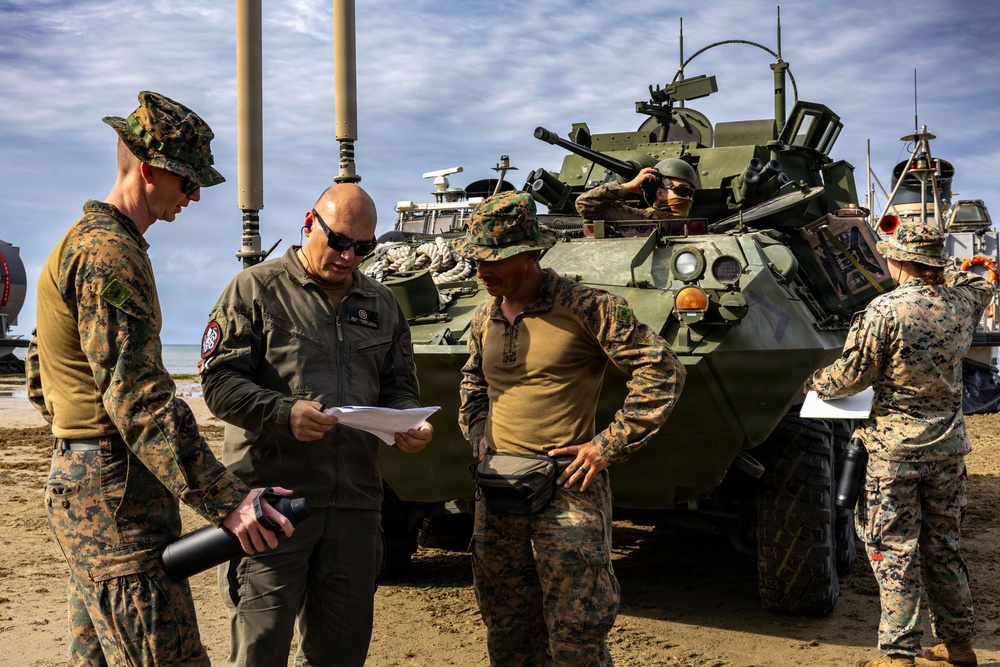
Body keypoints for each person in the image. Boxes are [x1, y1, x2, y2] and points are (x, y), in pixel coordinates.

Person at [24, 90, 293, 667]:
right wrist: (229, 501)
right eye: (187, 181)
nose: (194, 195)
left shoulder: (78, 245)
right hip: (117, 501)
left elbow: (40, 375)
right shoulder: (108, 255)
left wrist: (77, 446)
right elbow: (140, 399)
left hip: (90, 485)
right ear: (148, 170)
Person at [198, 182, 434, 666]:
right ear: (310, 223)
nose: (350, 257)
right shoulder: (255, 289)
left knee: (340, 654)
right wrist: (283, 413)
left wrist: (409, 426)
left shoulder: (383, 305)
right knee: (260, 650)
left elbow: (399, 388)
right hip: (274, 508)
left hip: (355, 507)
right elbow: (219, 384)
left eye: (363, 248)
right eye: (340, 241)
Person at [454, 190, 686, 666]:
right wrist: (479, 438)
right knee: (506, 625)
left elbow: (662, 371)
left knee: (577, 628)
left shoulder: (587, 306)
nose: (482, 270)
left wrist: (607, 446)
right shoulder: (484, 316)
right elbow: (473, 383)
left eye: (495, 259)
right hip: (498, 487)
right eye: (476, 258)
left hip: (567, 488)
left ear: (533, 253)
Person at [805, 223, 993, 667]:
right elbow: (979, 282)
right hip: (948, 449)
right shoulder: (964, 303)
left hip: (895, 453)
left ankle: (898, 654)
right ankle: (960, 645)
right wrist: (942, 274)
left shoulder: (885, 310)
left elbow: (850, 378)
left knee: (895, 552)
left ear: (899, 260)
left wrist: (815, 381)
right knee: (943, 546)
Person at [574, 158, 699, 232]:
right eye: (682, 191)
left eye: (690, 193)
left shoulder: (694, 226)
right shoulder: (642, 218)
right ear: (660, 194)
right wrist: (628, 187)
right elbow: (584, 204)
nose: (688, 198)